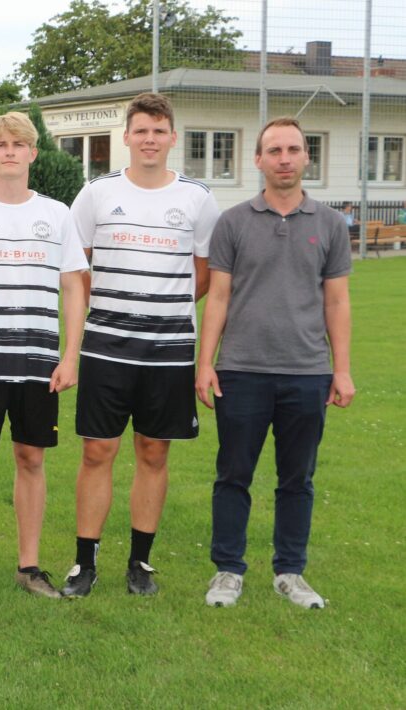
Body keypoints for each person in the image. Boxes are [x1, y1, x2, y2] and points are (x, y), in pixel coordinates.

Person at [62, 92, 220, 598]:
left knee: (154, 452)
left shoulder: (197, 198)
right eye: (140, 130)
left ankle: (140, 563)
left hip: (169, 350)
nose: (149, 139)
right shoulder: (96, 194)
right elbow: (76, 267)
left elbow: (202, 276)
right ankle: (84, 563)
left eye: (159, 130)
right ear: (125, 137)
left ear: (172, 138)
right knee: (97, 451)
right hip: (106, 346)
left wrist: (157, 307)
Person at [197, 116, 354, 609]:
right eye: (274, 150)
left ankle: (290, 572)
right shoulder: (234, 222)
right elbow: (217, 298)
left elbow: (337, 303)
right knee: (233, 475)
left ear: (307, 157)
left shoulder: (329, 224)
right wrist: (206, 364)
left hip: (307, 373)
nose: (284, 158)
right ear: (258, 160)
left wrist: (342, 369)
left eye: (293, 149)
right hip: (241, 371)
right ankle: (227, 570)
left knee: (297, 479)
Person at [0, 112, 88, 605]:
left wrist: (70, 356)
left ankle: (29, 567)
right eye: (0, 144)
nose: (9, 151)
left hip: (37, 361)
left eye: (19, 144)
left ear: (34, 153)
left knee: (31, 458)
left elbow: (74, 285)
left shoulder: (56, 214)